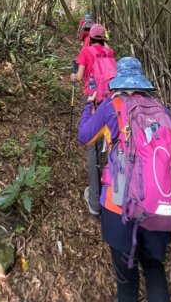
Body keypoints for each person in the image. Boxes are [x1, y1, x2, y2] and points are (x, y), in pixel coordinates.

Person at [78, 57, 171, 302]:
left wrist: (88, 108)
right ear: (142, 83)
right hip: (159, 206)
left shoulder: (111, 107)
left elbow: (84, 136)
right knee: (155, 271)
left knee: (126, 281)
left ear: (118, 82)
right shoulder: (161, 109)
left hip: (119, 205)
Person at [71, 23, 115, 216]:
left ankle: (95, 202)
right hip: (112, 104)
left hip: (93, 100)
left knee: (93, 149)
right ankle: (113, 196)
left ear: (90, 36)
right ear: (103, 37)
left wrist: (72, 75)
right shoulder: (110, 52)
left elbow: (79, 77)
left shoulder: (86, 51)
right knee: (113, 148)